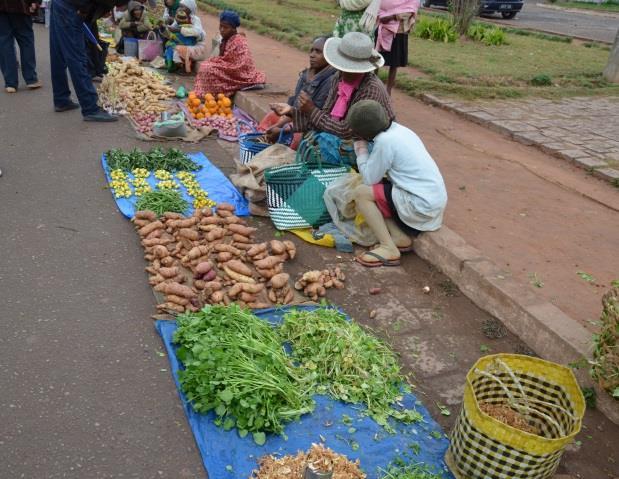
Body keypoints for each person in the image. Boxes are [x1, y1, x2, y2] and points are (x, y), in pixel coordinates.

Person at [347, 99, 447, 267]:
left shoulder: (385, 142)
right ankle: (399, 236)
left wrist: (361, 149)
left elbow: (369, 179)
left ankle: (388, 248)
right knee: (380, 189)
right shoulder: (401, 130)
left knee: (362, 193)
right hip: (432, 202)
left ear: (364, 133)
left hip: (419, 206)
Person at [270, 31, 393, 141]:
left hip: (371, 141)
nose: (343, 72)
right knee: (310, 139)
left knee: (316, 144)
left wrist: (311, 110)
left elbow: (347, 131)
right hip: (346, 136)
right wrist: (292, 111)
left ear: (362, 69)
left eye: (349, 68)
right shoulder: (338, 77)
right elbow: (326, 116)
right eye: (342, 66)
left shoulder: (370, 89)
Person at [259, 35, 336, 150]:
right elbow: (295, 109)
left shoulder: (330, 81)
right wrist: (277, 126)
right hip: (296, 118)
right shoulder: (306, 75)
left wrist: (284, 129)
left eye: (318, 52)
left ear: (329, 56)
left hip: (314, 126)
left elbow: (314, 120)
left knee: (297, 137)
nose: (312, 55)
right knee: (271, 118)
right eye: (312, 50)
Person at [49, 0, 118, 121]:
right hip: (72, 7)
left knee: (58, 53)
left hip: (60, 4)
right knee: (77, 57)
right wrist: (84, 11)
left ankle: (61, 99)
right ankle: (90, 107)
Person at [194, 10, 265, 97]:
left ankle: (216, 94)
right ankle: (210, 94)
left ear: (233, 28)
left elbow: (240, 65)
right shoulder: (226, 39)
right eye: (221, 26)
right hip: (229, 68)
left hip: (240, 72)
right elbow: (224, 58)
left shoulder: (238, 41)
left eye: (226, 27)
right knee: (206, 66)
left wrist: (216, 63)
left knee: (208, 69)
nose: (222, 30)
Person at [375, 0, 419, 95]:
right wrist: (381, 15)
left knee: (394, 63)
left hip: (399, 29)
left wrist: (392, 16)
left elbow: (410, 9)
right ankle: (371, 86)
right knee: (376, 59)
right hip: (382, 26)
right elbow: (377, 3)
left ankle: (388, 92)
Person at [0, 0, 42, 93]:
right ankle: (31, 78)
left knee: (5, 43)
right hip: (20, 6)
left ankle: (10, 83)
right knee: (26, 41)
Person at [161, 7, 201, 72]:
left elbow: (172, 37)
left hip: (184, 48)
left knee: (170, 47)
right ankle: (178, 66)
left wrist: (163, 29)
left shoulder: (178, 29)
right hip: (191, 47)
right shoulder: (191, 27)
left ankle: (173, 66)